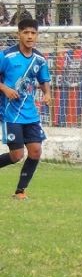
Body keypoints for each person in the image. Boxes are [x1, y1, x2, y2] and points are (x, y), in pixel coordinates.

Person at [0, 18, 51, 200]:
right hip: (10, 113)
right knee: (16, 155)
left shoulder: (39, 59)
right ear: (19, 34)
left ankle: (20, 191)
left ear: (36, 35)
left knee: (36, 151)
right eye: (26, 32)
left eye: (33, 33)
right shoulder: (6, 56)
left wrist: (47, 94)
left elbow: (44, 80)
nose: (30, 36)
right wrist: (5, 88)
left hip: (30, 113)